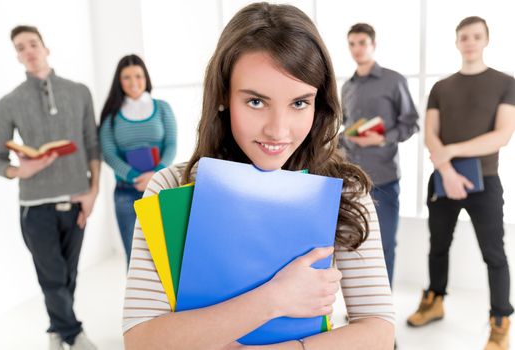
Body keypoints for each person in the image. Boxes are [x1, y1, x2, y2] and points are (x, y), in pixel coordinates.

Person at [122, 3, 395, 349]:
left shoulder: (346, 190)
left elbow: (379, 330)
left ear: (318, 103)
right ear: (223, 95)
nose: (278, 130)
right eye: (256, 102)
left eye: (299, 103)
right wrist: (275, 298)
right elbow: (141, 342)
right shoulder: (172, 187)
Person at [406, 16, 515, 350]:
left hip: (486, 182)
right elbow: (430, 135)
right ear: (457, 42)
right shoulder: (441, 87)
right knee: (438, 247)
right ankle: (435, 300)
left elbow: (501, 136)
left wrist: (451, 152)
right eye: (463, 37)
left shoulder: (505, 82)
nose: (469, 42)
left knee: (494, 254)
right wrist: (449, 172)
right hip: (443, 180)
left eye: (476, 36)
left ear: (486, 40)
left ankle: (500, 321)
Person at [0, 25, 99, 350]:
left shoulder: (79, 92)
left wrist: (93, 192)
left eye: (33, 44)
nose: (29, 51)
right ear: (17, 56)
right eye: (21, 47)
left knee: (68, 277)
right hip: (35, 207)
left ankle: (56, 329)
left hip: (77, 199)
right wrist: (19, 169)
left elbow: (92, 146)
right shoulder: (8, 103)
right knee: (51, 278)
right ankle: (74, 334)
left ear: (46, 48)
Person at [340, 23, 419, 288]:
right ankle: (361, 309)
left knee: (384, 243)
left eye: (362, 43)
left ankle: (382, 315)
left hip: (384, 178)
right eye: (352, 44)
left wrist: (383, 138)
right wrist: (345, 138)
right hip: (352, 181)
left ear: (373, 45)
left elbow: (411, 123)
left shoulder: (394, 80)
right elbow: (343, 126)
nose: (356, 49)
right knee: (353, 246)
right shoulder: (347, 88)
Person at [99, 54, 177, 264]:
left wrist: (155, 173)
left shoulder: (162, 108)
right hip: (126, 192)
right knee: (135, 259)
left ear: (146, 78)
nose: (134, 82)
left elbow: (171, 144)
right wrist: (134, 176)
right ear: (119, 81)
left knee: (166, 257)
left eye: (138, 76)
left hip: (160, 189)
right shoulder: (111, 116)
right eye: (127, 77)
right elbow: (108, 152)